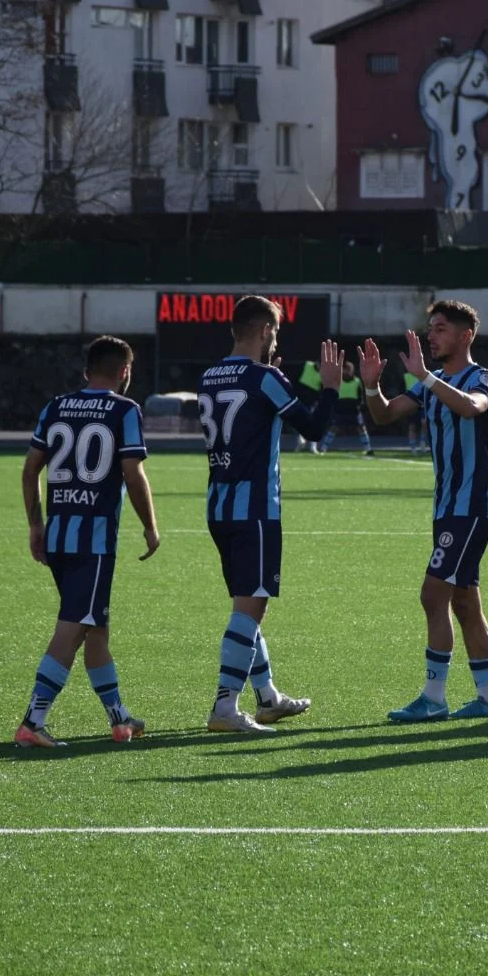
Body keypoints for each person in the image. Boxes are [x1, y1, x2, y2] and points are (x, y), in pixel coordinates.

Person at [360, 301, 488, 722]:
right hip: (447, 507)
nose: (431, 335)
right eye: (431, 328)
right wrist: (372, 387)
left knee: (432, 594)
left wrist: (424, 375)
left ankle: (434, 697)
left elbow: (472, 407)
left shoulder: (482, 378)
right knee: (464, 603)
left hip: (473, 504)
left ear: (466, 336)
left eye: (441, 329)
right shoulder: (433, 381)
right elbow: (385, 414)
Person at [201, 296, 342, 734]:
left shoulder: (209, 376)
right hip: (255, 507)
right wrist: (332, 385)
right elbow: (315, 428)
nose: (275, 339)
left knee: (247, 600)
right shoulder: (267, 377)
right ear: (264, 331)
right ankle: (225, 706)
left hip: (218, 505)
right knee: (251, 607)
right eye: (274, 332)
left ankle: (267, 697)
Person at [15, 336, 161, 748]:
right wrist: (150, 526)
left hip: (59, 536)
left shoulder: (56, 407)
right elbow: (133, 473)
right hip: (93, 542)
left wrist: (35, 525)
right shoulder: (125, 409)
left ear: (86, 371)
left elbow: (30, 471)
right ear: (125, 373)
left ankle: (119, 719)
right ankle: (32, 721)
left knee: (96, 629)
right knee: (73, 629)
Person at [320, 367, 373, 456]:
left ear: (352, 371)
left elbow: (361, 396)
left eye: (348, 370)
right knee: (333, 428)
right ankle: (323, 449)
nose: (346, 372)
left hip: (354, 410)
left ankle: (368, 449)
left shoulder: (357, 381)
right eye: (345, 369)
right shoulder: (337, 380)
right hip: (340, 409)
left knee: (361, 428)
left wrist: (360, 406)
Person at [293, 359, 322, 453]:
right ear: (317, 362)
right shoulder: (306, 365)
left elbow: (321, 390)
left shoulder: (323, 374)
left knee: (313, 423)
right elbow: (295, 378)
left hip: (312, 402)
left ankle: (313, 447)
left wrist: (318, 401)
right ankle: (299, 444)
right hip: (299, 399)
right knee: (298, 421)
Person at [403, 370, 431, 455]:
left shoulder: (424, 374)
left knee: (424, 423)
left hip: (422, 405)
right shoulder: (405, 376)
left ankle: (422, 444)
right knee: (412, 426)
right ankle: (413, 448)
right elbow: (402, 391)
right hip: (410, 405)